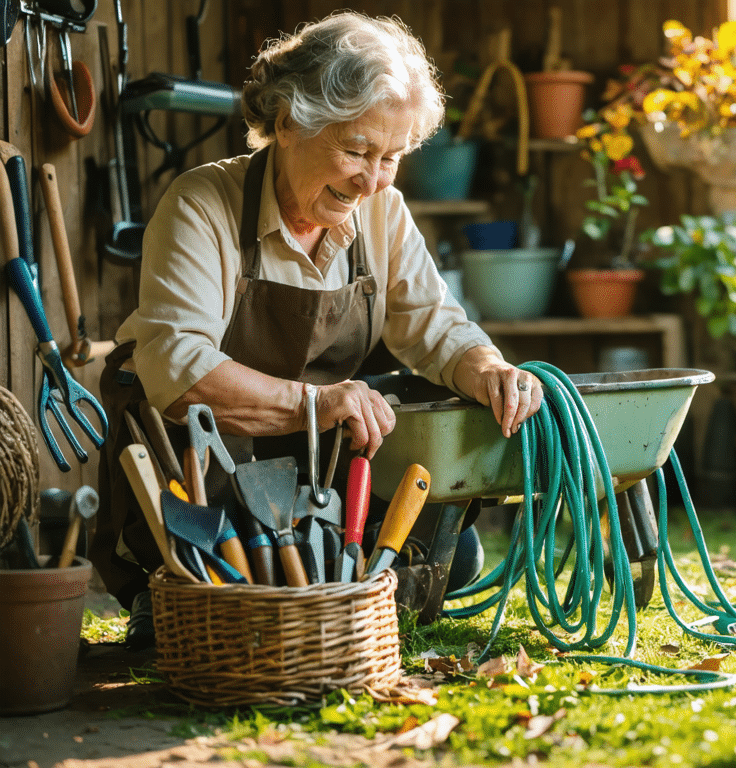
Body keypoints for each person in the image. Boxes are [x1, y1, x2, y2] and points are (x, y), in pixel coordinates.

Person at [92, 11, 542, 650]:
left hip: (311, 460)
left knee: (455, 557)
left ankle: (315, 571)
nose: (373, 179)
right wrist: (316, 402)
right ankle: (163, 588)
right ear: (286, 123)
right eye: (357, 150)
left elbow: (433, 326)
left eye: (391, 157)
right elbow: (176, 369)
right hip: (200, 455)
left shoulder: (381, 208)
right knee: (223, 596)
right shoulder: (201, 203)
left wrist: (488, 368)